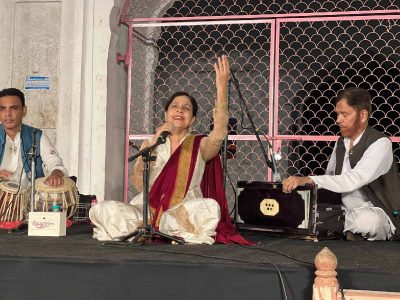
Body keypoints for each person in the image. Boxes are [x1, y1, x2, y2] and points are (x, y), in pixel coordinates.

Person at [90, 55, 249, 245]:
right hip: (148, 209)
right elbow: (140, 183)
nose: (179, 110)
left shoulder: (200, 144)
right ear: (166, 114)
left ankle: (164, 226)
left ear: (192, 120)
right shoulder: (151, 143)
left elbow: (220, 133)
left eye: (186, 109)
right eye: (174, 106)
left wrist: (222, 86)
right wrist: (155, 142)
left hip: (182, 210)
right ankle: (157, 226)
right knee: (103, 209)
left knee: (210, 208)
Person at [282, 87, 400, 241]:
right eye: (337, 114)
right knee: (301, 212)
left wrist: (310, 179)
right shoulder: (341, 143)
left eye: (345, 114)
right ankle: (341, 228)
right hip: (344, 212)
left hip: (378, 212)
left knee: (367, 222)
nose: (338, 120)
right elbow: (330, 177)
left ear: (363, 115)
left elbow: (354, 178)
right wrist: (300, 188)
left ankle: (339, 228)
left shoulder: (381, 143)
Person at [0, 88, 67, 188]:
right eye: (2, 109)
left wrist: (56, 173)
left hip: (29, 199)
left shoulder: (36, 135)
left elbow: (54, 162)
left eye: (14, 108)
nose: (8, 114)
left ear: (24, 111)